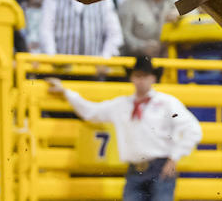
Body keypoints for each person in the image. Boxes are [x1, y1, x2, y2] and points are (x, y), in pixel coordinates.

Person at [46, 56, 202, 201]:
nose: (141, 80)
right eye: (137, 76)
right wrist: (67, 93)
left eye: (145, 76)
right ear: (132, 78)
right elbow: (91, 111)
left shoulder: (167, 103)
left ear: (153, 78)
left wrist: (174, 157)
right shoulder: (121, 105)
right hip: (135, 169)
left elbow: (193, 129)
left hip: (160, 167)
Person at [40, 0, 124, 58]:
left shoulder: (104, 0)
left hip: (94, 70)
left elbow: (115, 35)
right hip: (60, 70)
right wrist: (53, 58)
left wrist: (104, 59)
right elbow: (46, 32)